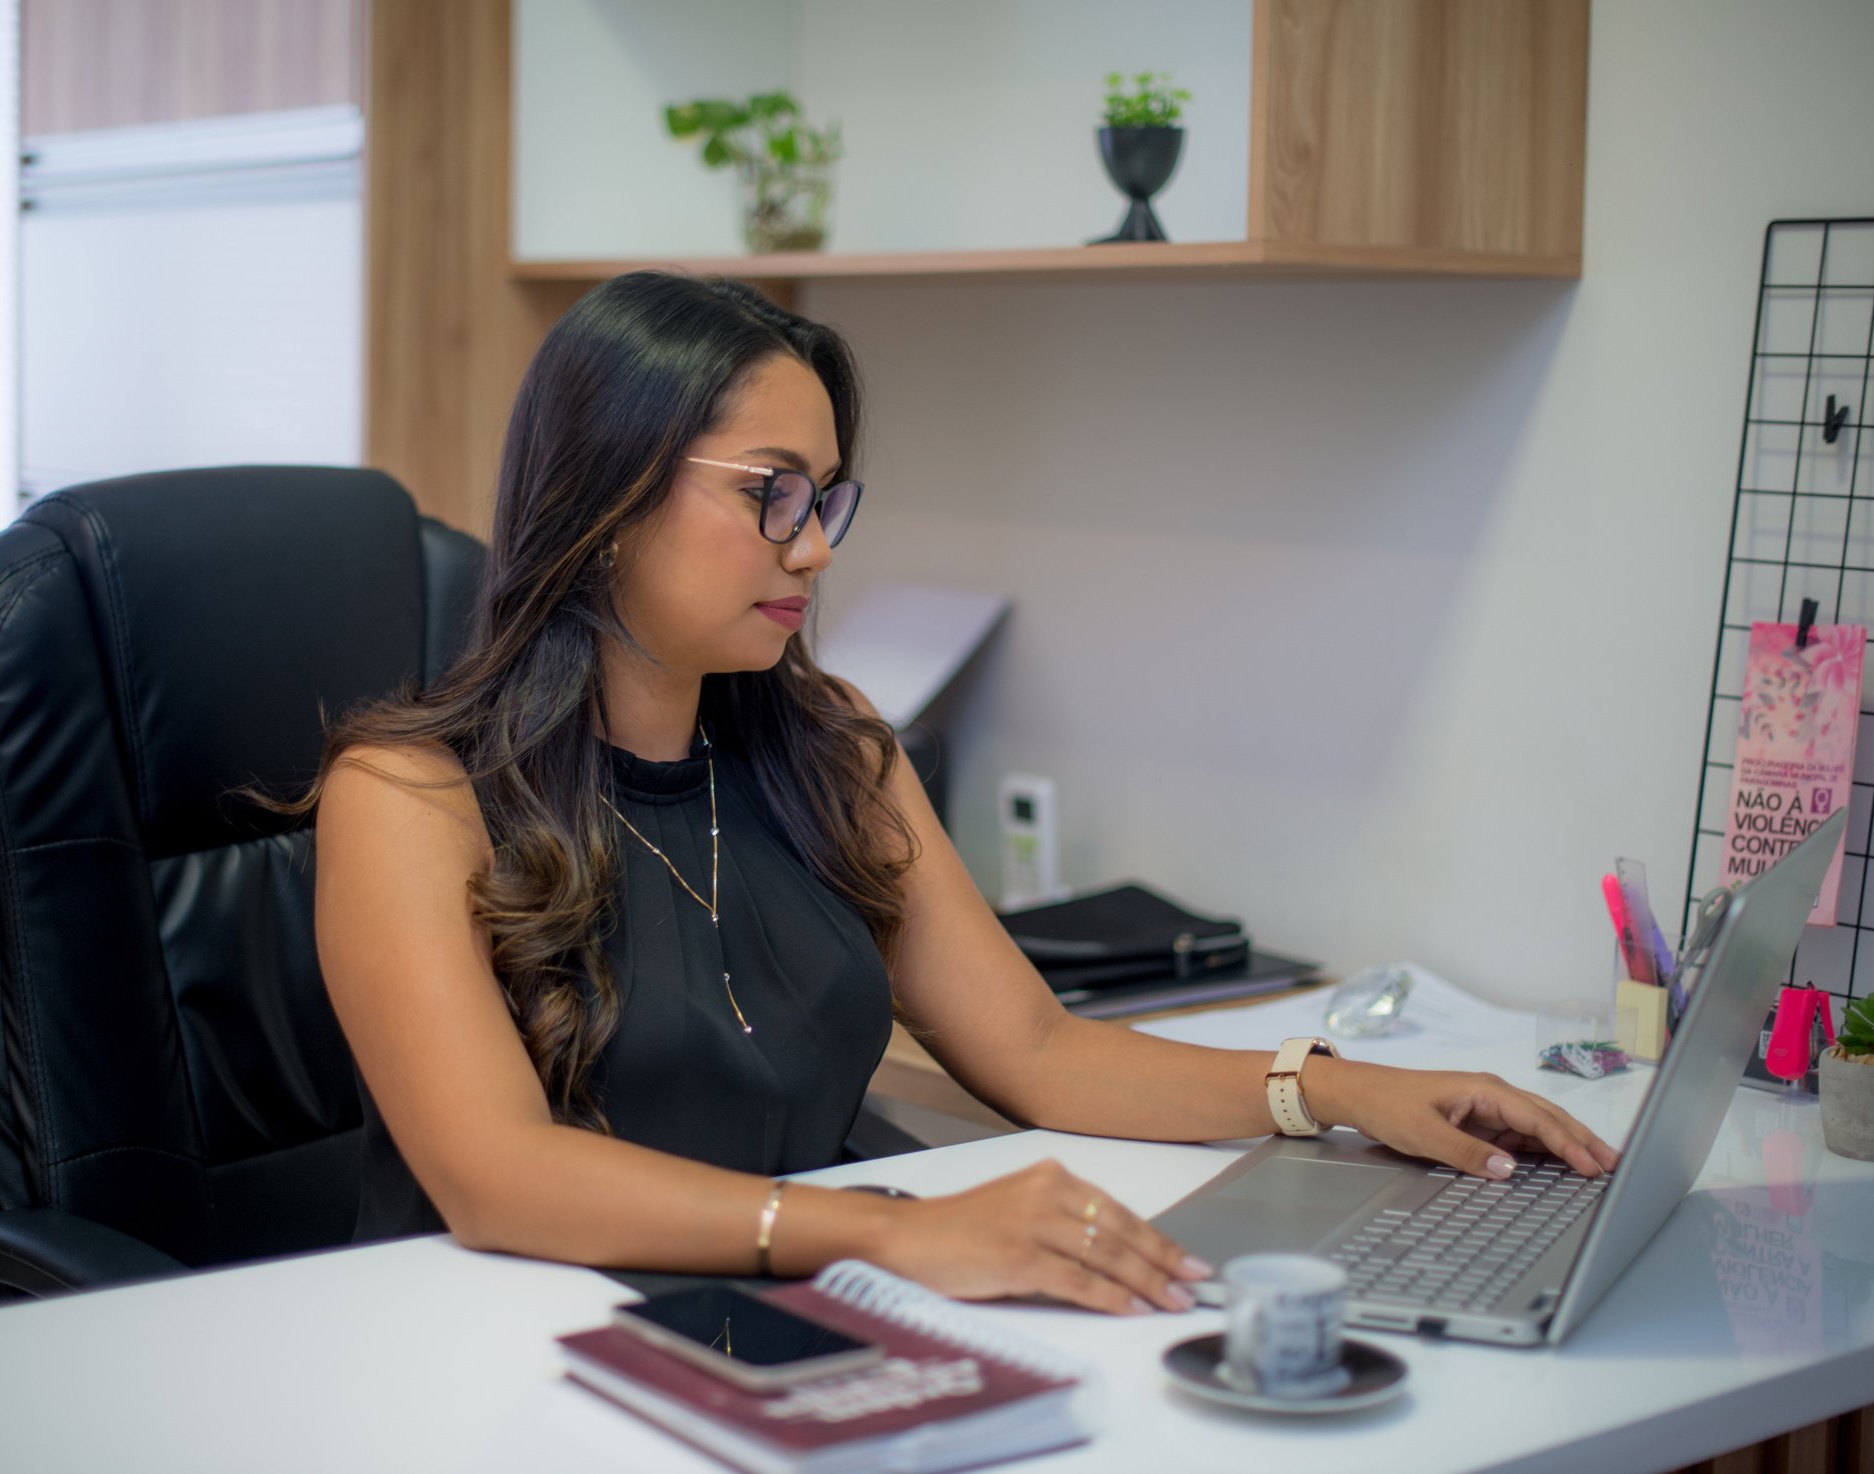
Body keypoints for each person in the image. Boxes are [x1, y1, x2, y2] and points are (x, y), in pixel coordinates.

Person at [305, 271, 1620, 1316]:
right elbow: (498, 1175)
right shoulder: (408, 798)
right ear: (605, 495)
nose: (813, 549)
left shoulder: (832, 750)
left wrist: (1333, 1088)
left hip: (795, 1321)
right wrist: (890, 1230)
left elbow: (1040, 1052)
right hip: (515, 1352)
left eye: (826, 501)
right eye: (771, 495)